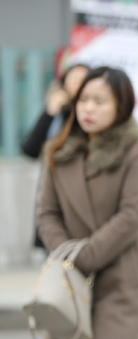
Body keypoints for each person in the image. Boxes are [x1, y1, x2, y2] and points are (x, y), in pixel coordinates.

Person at [37, 66, 138, 339]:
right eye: (84, 100)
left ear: (122, 107)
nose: (89, 108)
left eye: (100, 101)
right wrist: (67, 255)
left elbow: (132, 215)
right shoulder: (60, 149)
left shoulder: (136, 150)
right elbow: (47, 213)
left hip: (120, 279)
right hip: (72, 278)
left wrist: (85, 256)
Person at [22, 63, 90, 250]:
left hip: (84, 198)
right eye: (73, 79)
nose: (78, 84)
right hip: (54, 198)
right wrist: (50, 113)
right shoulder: (56, 114)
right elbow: (30, 150)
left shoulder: (93, 117)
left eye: (83, 79)